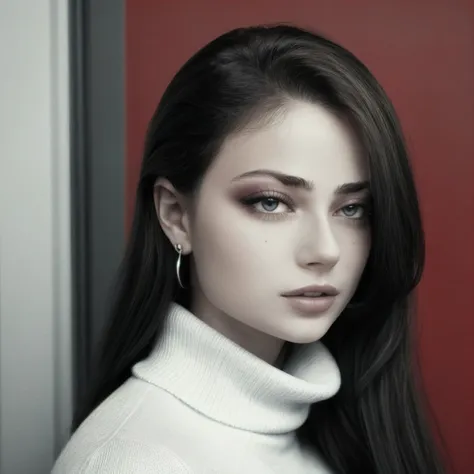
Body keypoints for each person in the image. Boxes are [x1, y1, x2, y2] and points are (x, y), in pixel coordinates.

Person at [52, 24, 446, 473]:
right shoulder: (130, 461)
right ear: (176, 216)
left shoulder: (343, 426)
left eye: (352, 208)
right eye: (271, 202)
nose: (326, 249)